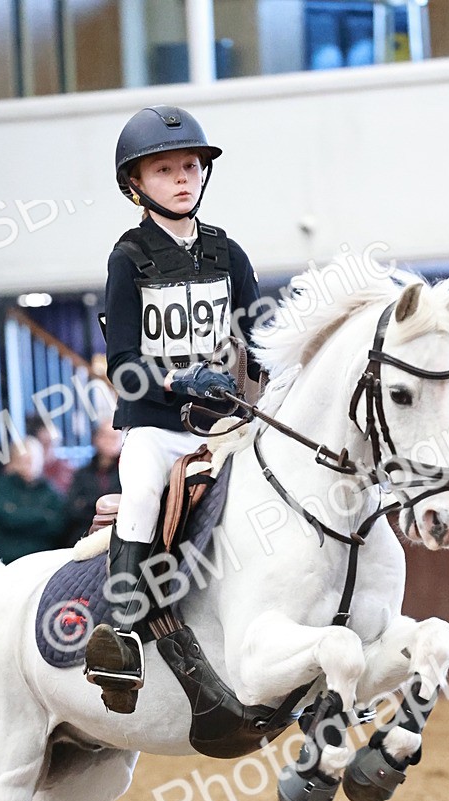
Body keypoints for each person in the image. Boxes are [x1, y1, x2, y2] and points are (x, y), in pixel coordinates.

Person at [84, 104, 262, 714]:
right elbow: (123, 364)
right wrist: (182, 380)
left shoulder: (228, 253)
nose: (183, 177)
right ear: (136, 183)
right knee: (138, 494)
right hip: (157, 428)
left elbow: (259, 337)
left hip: (225, 427)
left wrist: (270, 371)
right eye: (165, 169)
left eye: (190, 166)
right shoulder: (127, 258)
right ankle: (122, 636)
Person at [0, 437, 66, 564]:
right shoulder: (1, 487)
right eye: (24, 460)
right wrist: (43, 516)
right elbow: (8, 519)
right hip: (8, 559)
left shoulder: (51, 490)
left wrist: (19, 514)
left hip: (44, 558)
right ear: (13, 462)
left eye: (34, 460)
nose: (30, 465)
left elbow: (57, 526)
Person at [64, 420, 122, 543]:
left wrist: (88, 503)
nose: (109, 441)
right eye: (104, 436)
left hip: (117, 536)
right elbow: (73, 510)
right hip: (83, 536)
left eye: (114, 437)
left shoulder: (127, 472)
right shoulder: (82, 473)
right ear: (95, 438)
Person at [26, 414, 75, 496]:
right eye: (44, 445)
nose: (49, 450)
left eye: (52, 444)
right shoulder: (26, 470)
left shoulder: (65, 467)